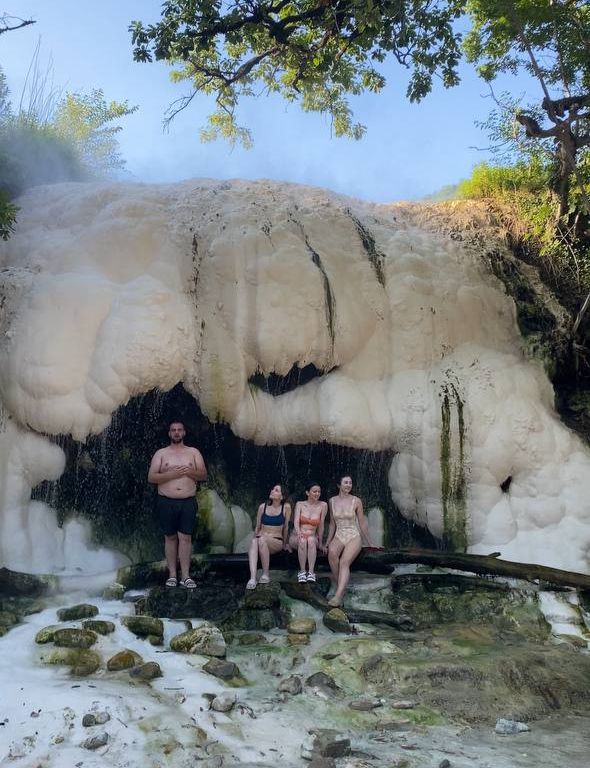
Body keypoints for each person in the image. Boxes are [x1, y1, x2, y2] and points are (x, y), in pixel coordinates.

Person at [147, 420, 207, 589]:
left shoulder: (193, 452)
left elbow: (203, 475)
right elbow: (151, 477)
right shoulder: (161, 454)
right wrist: (171, 475)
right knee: (170, 537)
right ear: (169, 433)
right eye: (173, 430)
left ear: (184, 433)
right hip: (166, 500)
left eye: (179, 430)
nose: (176, 432)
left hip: (187, 500)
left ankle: (186, 576)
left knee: (186, 537)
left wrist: (189, 471)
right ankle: (172, 575)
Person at [326, 475, 374, 607]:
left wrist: (370, 542)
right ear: (339, 485)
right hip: (339, 534)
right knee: (331, 553)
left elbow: (362, 523)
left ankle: (338, 595)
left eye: (350, 483)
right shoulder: (332, 501)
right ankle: (341, 587)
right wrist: (327, 542)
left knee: (344, 561)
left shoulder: (356, 501)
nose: (348, 485)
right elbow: (331, 524)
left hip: (353, 535)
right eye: (345, 483)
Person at [246, 484, 291, 589]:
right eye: (272, 489)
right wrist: (254, 541)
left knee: (261, 539)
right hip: (261, 539)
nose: (272, 491)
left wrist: (285, 544)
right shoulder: (263, 507)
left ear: (282, 496)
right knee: (255, 541)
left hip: (276, 541)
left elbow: (286, 528)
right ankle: (252, 578)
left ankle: (266, 574)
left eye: (276, 490)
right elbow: (257, 527)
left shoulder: (286, 507)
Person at [290, 482, 328, 583]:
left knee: (311, 540)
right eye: (314, 491)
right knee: (302, 541)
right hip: (297, 536)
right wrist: (298, 533)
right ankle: (302, 572)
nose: (317, 494)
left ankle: (311, 572)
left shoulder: (323, 505)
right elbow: (296, 521)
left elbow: (321, 525)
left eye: (319, 492)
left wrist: (320, 543)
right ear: (307, 493)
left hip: (312, 535)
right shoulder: (300, 504)